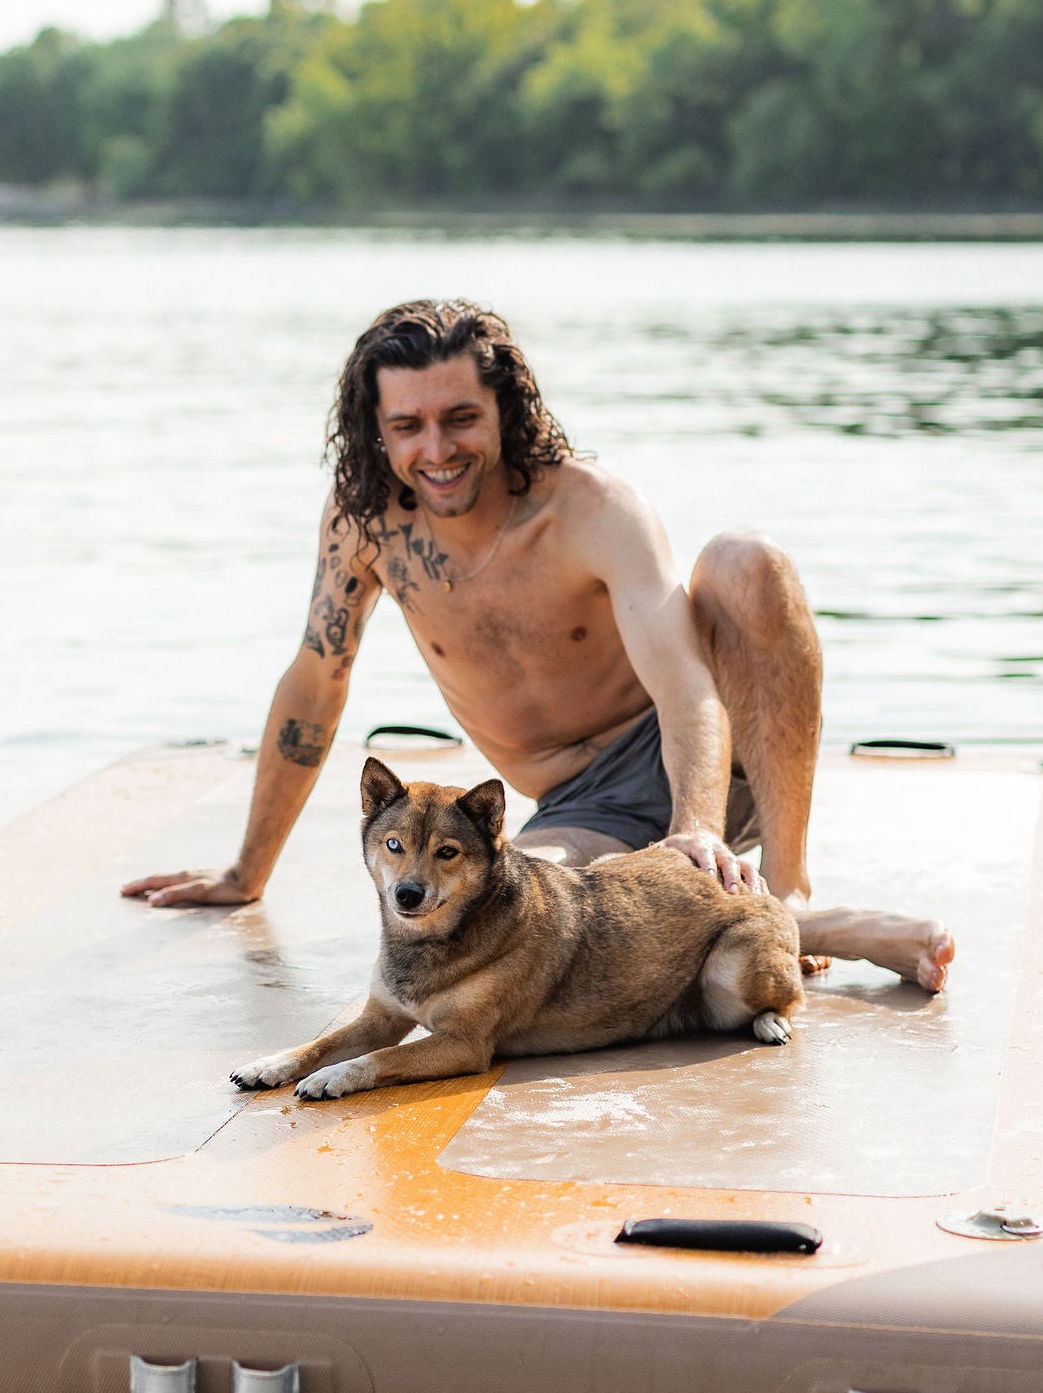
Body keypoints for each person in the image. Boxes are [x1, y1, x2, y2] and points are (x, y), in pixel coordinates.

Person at [122, 298, 953, 986]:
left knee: (747, 562)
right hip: (587, 810)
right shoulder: (366, 525)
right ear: (376, 429)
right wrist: (247, 872)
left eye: (459, 419)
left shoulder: (589, 507)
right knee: (496, 912)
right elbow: (317, 680)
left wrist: (696, 830)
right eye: (407, 425)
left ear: (505, 413)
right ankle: (812, 929)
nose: (437, 450)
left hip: (711, 757)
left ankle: (783, 889)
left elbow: (684, 685)